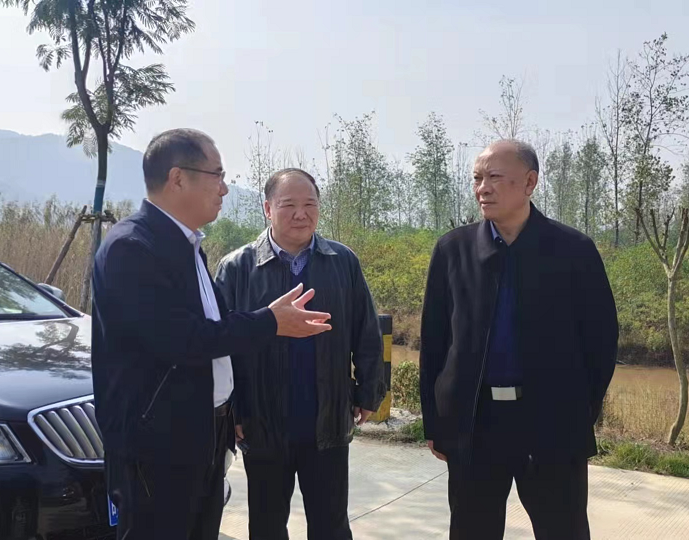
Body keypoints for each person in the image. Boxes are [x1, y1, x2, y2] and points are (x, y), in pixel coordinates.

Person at [91, 129, 332, 540]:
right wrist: (270, 321)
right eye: (216, 175)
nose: (224, 188)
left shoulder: (186, 246)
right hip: (158, 447)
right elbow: (184, 339)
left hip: (201, 437)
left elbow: (215, 335)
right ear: (178, 178)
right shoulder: (132, 248)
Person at [419, 140, 619, 540]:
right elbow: (435, 342)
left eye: (494, 177)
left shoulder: (573, 250)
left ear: (530, 182)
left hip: (551, 422)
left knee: (563, 529)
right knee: (472, 530)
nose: (482, 188)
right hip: (475, 424)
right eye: (477, 178)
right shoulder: (453, 250)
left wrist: (580, 412)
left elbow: (600, 342)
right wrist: (436, 421)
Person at [215, 167, 385, 540]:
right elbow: (221, 348)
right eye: (288, 205)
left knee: (331, 525)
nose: (300, 214)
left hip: (327, 420)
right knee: (267, 526)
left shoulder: (342, 261)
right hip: (261, 421)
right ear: (267, 208)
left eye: (310, 204)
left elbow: (366, 331)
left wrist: (369, 391)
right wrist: (233, 412)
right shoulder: (238, 267)